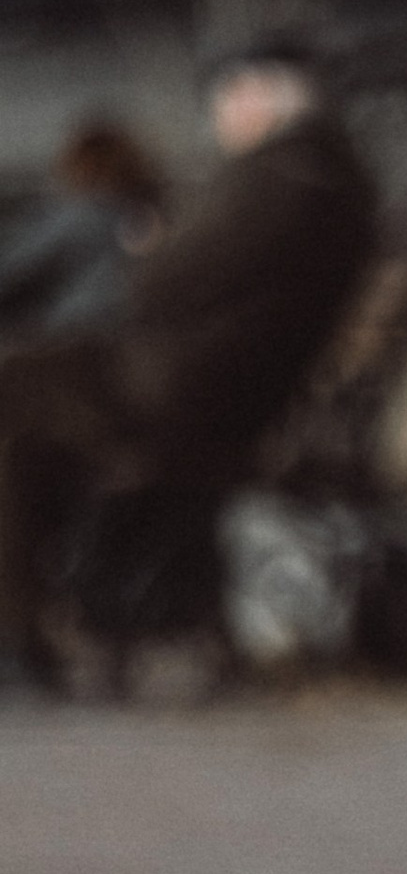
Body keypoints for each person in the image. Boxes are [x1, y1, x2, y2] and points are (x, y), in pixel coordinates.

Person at [0, 39, 377, 684]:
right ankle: (33, 624)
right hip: (206, 388)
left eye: (223, 100)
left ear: (260, 94)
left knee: (12, 394)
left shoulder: (280, 177)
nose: (218, 117)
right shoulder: (320, 176)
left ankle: (18, 634)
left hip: (178, 396)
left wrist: (152, 250)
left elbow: (153, 284)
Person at [0, 120, 167, 346]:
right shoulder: (150, 216)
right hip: (127, 344)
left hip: (68, 342)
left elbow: (14, 269)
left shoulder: (82, 215)